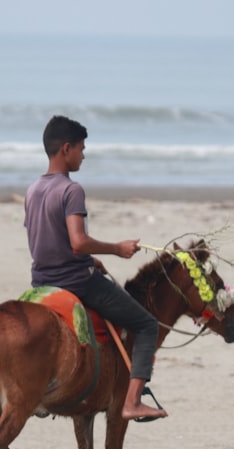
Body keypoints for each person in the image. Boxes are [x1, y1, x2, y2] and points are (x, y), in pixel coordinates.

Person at [23, 115, 168, 422]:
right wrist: (117, 249)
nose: (84, 155)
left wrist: (90, 259)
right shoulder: (71, 190)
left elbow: (47, 240)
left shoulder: (33, 189)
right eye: (81, 148)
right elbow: (77, 241)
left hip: (41, 281)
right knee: (146, 326)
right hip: (76, 283)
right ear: (66, 149)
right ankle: (131, 402)